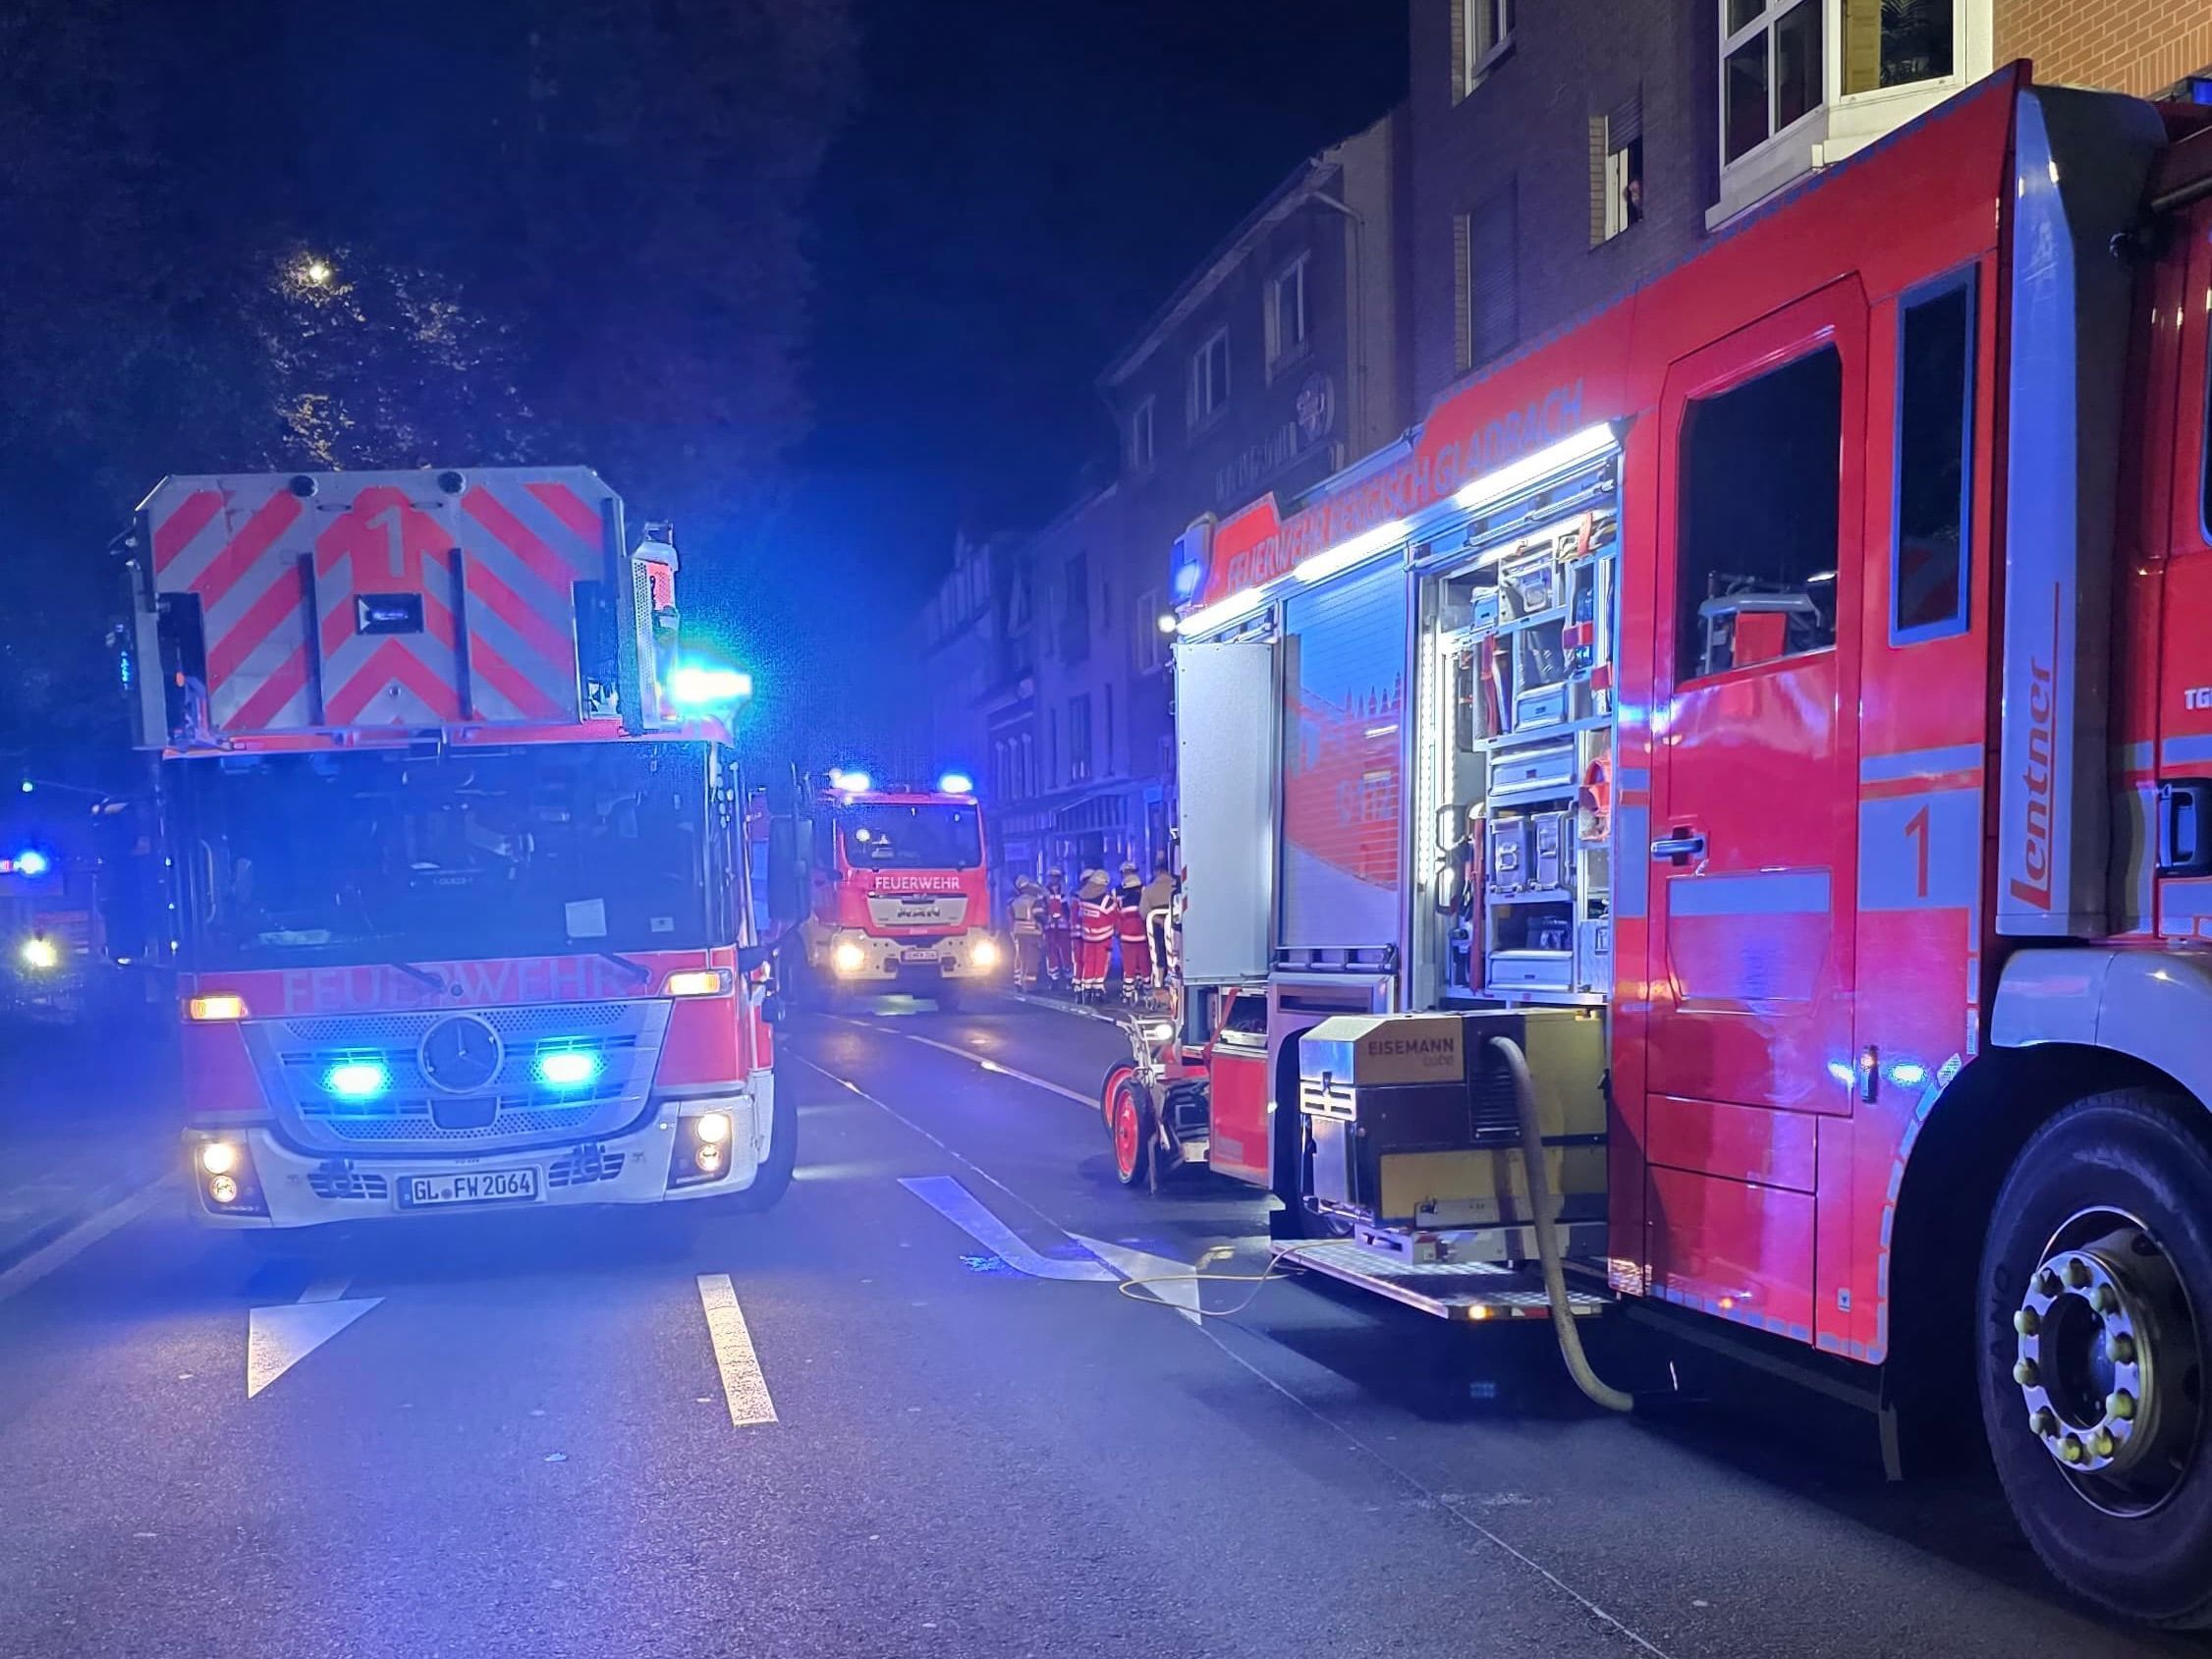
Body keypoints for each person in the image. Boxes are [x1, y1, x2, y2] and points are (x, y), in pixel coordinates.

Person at [1075, 868, 1115, 1003]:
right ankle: (1098, 991)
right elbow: (1114, 916)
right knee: (1101, 963)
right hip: (1103, 936)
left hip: (1087, 936)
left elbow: (1080, 915)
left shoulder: (1082, 897)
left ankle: (1086, 990)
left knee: (1088, 963)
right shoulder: (1106, 900)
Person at [1115, 862, 1150, 1005]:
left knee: (1129, 964)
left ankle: (1128, 992)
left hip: (1126, 937)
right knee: (1144, 962)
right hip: (1142, 936)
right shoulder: (1143, 894)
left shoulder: (1123, 899)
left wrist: (1117, 931)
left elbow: (1117, 915)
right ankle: (1146, 988)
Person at [1139, 854, 1176, 990]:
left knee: (1159, 954)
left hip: (1156, 927)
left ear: (1157, 872)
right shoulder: (1177, 886)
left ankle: (1159, 982)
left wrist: (1159, 921)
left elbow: (1143, 912)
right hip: (1177, 926)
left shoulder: (1149, 890)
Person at [1009, 875, 1043, 990]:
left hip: (1018, 932)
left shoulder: (1014, 902)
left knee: (1019, 956)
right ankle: (1029, 984)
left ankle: (1018, 981)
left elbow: (1010, 918)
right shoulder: (1035, 901)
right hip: (1032, 932)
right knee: (1032, 958)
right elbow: (1039, 916)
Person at [1040, 869, 1073, 992]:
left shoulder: (1065, 890)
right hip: (1049, 927)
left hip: (1063, 926)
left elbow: (1068, 907)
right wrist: (1045, 921)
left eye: (1056, 877)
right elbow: (1041, 908)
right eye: (1051, 877)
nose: (1053, 879)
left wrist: (1067, 920)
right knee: (1051, 953)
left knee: (1066, 952)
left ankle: (1069, 978)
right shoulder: (1043, 891)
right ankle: (1054, 979)